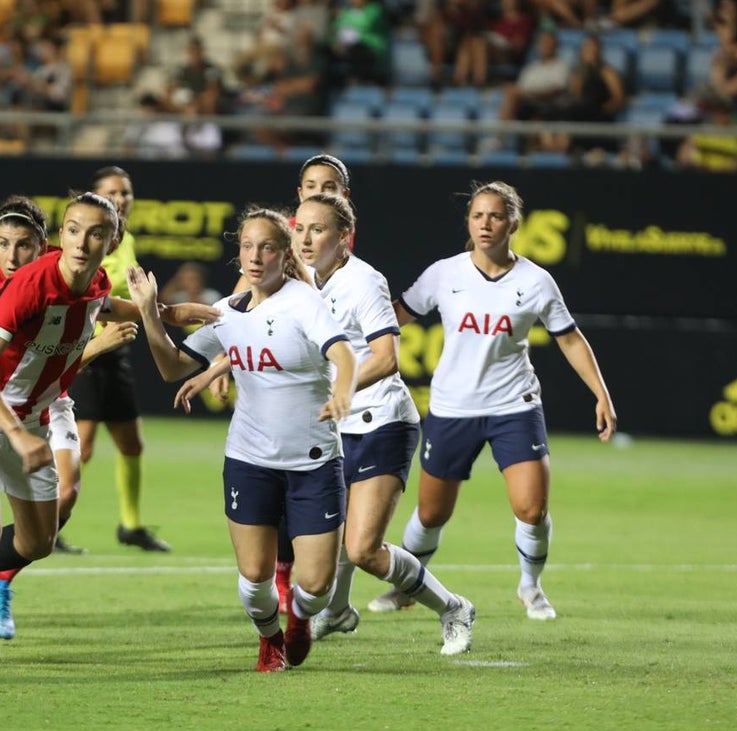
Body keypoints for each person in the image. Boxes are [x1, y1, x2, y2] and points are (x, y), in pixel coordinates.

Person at [0, 192, 219, 671]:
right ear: (61, 236)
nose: (81, 242)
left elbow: (106, 304)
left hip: (32, 413)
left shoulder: (93, 281)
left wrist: (167, 312)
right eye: (74, 230)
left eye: (96, 233)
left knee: (39, 541)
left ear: (112, 242)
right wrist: (17, 435)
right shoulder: (29, 286)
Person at [200, 193, 478, 653]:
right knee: (330, 540)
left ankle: (453, 608)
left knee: (363, 548)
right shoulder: (293, 279)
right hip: (326, 432)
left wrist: (340, 391)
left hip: (379, 422)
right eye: (299, 229)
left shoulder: (364, 282)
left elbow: (386, 358)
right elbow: (261, 330)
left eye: (318, 230)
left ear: (344, 236)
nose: (305, 239)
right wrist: (223, 363)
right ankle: (338, 611)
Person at [367, 181, 617, 620]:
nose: (485, 224)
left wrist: (601, 394)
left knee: (532, 508)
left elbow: (570, 338)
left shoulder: (536, 281)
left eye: (496, 216)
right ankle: (407, 587)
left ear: (513, 224)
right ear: (468, 222)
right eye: (477, 215)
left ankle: (531, 587)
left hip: (514, 406)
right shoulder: (444, 274)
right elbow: (394, 317)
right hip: (452, 408)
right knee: (431, 513)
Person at [125, 206, 358, 672]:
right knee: (254, 579)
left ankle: (300, 619)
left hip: (313, 461)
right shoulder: (227, 312)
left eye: (266, 247)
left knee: (317, 587)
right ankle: (270, 638)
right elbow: (171, 367)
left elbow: (343, 354)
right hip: (250, 459)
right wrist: (150, 313)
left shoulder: (303, 301)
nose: (255, 256)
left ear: (285, 254)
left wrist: (342, 393)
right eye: (247, 246)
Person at [0, 195, 138, 644]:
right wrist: (96, 346)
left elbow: (101, 303)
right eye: (4, 244)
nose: (14, 256)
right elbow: (18, 369)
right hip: (4, 405)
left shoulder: (66, 269)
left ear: (43, 245)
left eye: (26, 245)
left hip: (52, 398)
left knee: (65, 496)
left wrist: (161, 312)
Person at [70, 167, 170, 552]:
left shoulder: (125, 239)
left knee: (131, 444)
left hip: (116, 351)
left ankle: (131, 525)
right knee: (81, 447)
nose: (121, 198)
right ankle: (48, 519)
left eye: (126, 192)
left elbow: (130, 295)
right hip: (86, 351)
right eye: (112, 192)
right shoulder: (83, 243)